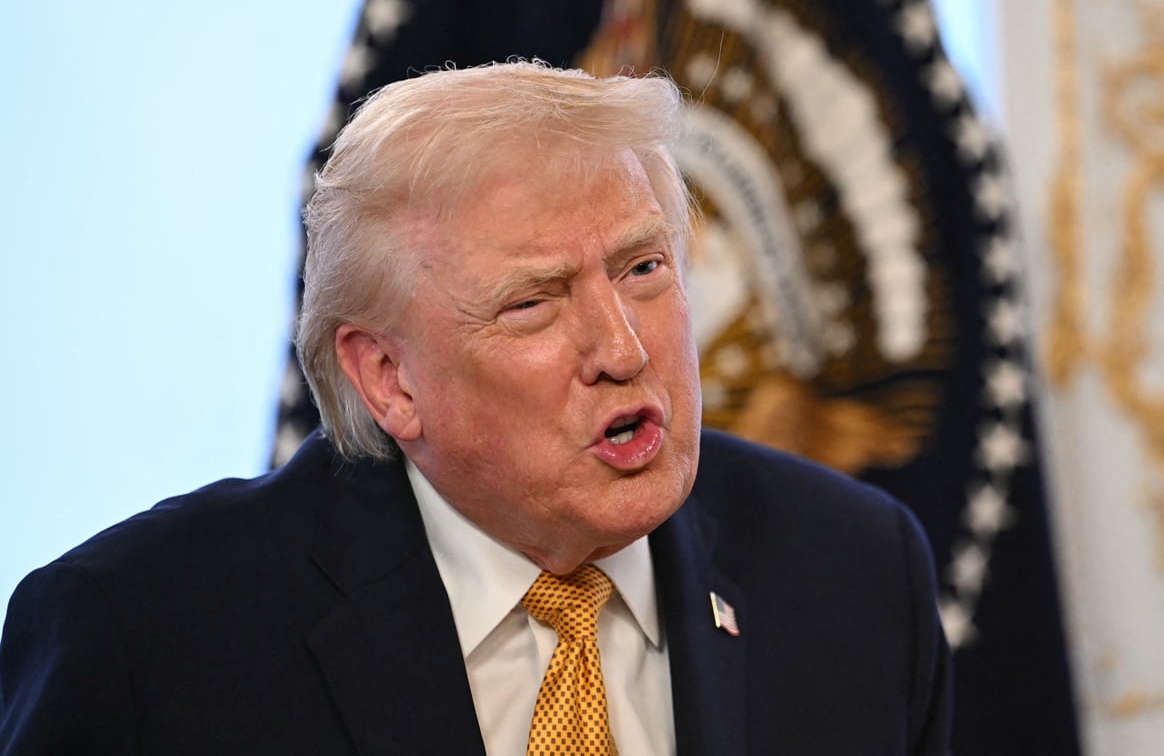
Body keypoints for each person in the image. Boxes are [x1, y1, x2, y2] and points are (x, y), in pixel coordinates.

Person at [0, 61, 951, 754]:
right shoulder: (146, 639)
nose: (624, 350)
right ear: (389, 381)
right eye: (534, 302)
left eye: (643, 268)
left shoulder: (856, 572)